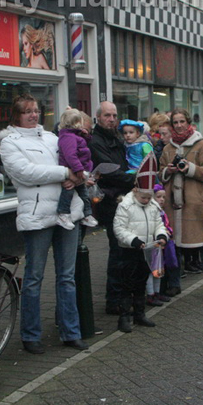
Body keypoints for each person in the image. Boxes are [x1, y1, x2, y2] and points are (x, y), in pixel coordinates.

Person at [0, 94, 89, 353]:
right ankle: (30, 335)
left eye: (36, 110)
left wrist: (77, 177)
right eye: (27, 111)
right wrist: (65, 174)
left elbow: (76, 159)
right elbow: (25, 173)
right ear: (17, 115)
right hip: (37, 214)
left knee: (67, 277)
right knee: (34, 277)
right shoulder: (9, 142)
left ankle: (71, 331)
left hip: (67, 211)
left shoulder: (52, 138)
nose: (33, 115)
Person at [159, 108, 203, 301]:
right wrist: (167, 171)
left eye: (181, 122)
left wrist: (190, 169)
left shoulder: (200, 145)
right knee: (173, 246)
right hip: (172, 205)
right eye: (175, 122)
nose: (178, 125)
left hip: (193, 204)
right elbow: (159, 173)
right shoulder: (168, 148)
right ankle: (174, 284)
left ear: (188, 122)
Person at [88, 102, 135, 314]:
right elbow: (108, 171)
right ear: (98, 117)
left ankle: (125, 295)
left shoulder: (115, 137)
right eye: (107, 115)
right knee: (117, 251)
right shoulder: (96, 141)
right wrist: (133, 178)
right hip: (110, 201)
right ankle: (113, 300)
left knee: (126, 250)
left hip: (123, 199)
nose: (112, 119)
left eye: (114, 115)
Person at [113, 155, 168, 332]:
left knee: (141, 283)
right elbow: (119, 228)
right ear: (136, 190)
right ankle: (123, 317)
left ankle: (139, 314)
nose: (146, 200)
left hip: (148, 250)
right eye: (143, 197)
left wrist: (161, 235)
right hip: (130, 251)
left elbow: (159, 223)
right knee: (126, 285)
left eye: (148, 197)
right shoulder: (125, 206)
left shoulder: (152, 205)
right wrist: (134, 241)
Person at [56, 109, 98, 230]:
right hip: (73, 170)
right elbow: (71, 155)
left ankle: (87, 214)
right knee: (68, 193)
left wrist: (85, 135)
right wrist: (79, 169)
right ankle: (63, 214)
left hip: (79, 169)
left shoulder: (74, 136)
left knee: (83, 194)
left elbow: (82, 146)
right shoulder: (68, 137)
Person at [147, 185, 175, 306]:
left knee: (159, 270)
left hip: (161, 246)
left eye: (164, 197)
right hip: (152, 245)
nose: (162, 199)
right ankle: (150, 294)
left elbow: (166, 225)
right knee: (150, 270)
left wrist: (168, 232)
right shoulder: (151, 211)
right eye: (159, 197)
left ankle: (157, 293)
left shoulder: (162, 211)